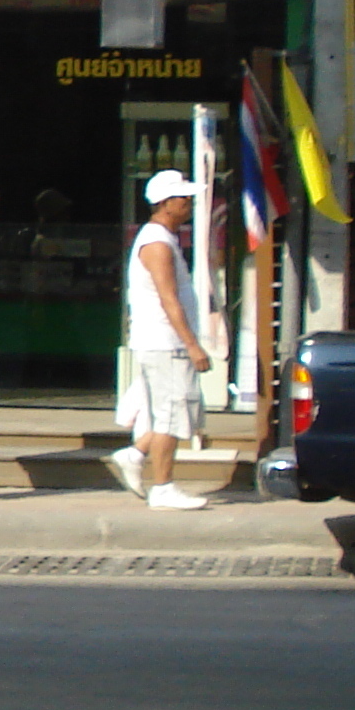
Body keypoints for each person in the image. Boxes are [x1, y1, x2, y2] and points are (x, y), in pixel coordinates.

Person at [110, 170, 211, 511]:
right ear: (166, 203)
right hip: (165, 343)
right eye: (184, 199)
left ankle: (135, 454)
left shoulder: (164, 238)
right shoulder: (156, 243)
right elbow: (169, 299)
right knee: (171, 414)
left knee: (174, 411)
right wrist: (192, 344)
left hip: (166, 342)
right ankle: (163, 486)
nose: (190, 204)